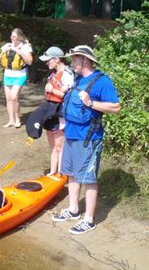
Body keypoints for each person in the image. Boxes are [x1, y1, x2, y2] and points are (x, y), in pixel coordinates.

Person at [52, 45, 121, 234]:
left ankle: (89, 219)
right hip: (72, 135)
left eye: (75, 59)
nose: (72, 62)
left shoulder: (102, 81)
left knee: (88, 179)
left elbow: (116, 107)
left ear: (85, 60)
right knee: (71, 174)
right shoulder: (78, 79)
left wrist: (91, 102)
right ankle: (73, 210)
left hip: (89, 138)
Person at [38, 46, 74, 174]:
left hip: (60, 114)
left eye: (49, 60)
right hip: (50, 113)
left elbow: (66, 95)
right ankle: (52, 172)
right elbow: (47, 95)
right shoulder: (52, 75)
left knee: (61, 147)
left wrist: (52, 90)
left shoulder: (67, 74)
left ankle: (61, 173)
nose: (47, 62)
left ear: (57, 59)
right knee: (53, 147)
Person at [0, 28, 34, 128]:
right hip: (8, 75)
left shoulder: (25, 47)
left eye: (14, 36)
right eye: (11, 36)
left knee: (14, 97)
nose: (12, 38)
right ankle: (11, 120)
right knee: (8, 99)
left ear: (19, 37)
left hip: (20, 75)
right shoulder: (7, 46)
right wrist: (2, 52)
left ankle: (18, 119)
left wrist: (20, 52)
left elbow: (30, 62)